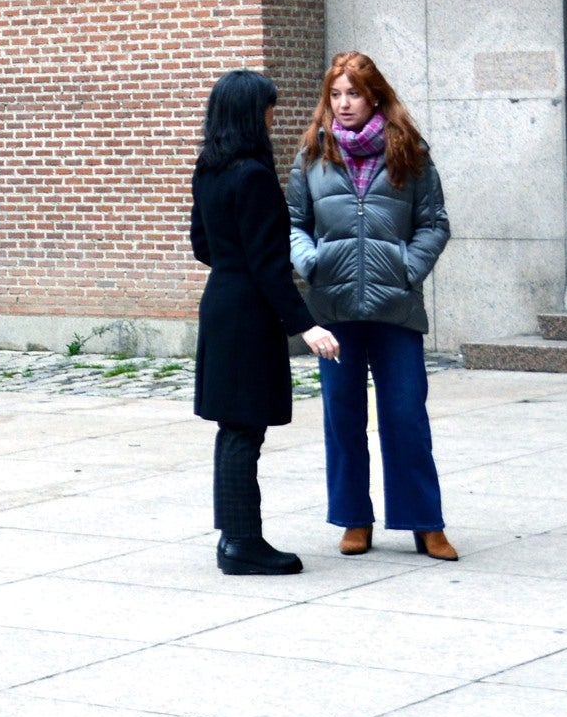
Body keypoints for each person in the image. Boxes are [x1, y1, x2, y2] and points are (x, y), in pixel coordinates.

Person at [286, 51, 455, 560]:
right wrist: (310, 261)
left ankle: (425, 522)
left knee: (405, 414)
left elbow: (435, 223)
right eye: (335, 94)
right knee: (342, 416)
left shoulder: (410, 151)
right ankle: (354, 519)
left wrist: (407, 268)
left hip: (395, 307)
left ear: (374, 94)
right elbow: (293, 222)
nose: (343, 104)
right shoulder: (312, 154)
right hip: (333, 307)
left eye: (353, 93)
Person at [191, 70, 341, 575]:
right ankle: (241, 543)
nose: (274, 116)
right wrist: (307, 325)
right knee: (243, 430)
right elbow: (269, 264)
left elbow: (202, 246)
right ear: (251, 114)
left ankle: (234, 537)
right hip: (247, 314)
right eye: (268, 108)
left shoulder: (210, 168)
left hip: (223, 302)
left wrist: (235, 268)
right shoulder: (252, 175)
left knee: (234, 427)